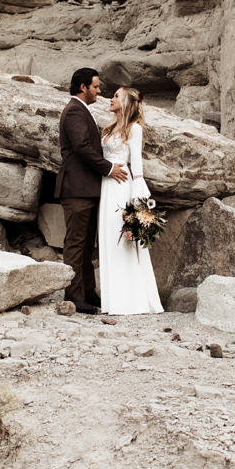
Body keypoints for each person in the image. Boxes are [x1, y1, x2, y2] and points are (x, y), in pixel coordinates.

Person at [55, 68, 127, 314]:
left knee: (86, 245)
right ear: (83, 87)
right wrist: (108, 169)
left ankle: (88, 293)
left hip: (86, 189)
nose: (99, 91)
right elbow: (83, 147)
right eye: (96, 86)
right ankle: (74, 297)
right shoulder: (75, 110)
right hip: (76, 188)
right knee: (76, 243)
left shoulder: (81, 110)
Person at [96, 86, 163, 315]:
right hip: (106, 186)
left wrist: (138, 206)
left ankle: (130, 301)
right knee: (107, 239)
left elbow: (138, 168)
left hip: (122, 187)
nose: (111, 98)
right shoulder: (109, 128)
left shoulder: (134, 129)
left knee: (123, 239)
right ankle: (112, 300)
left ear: (126, 102)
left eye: (116, 96)